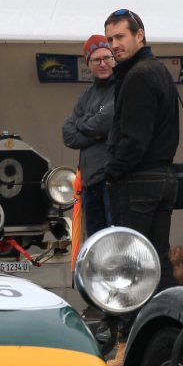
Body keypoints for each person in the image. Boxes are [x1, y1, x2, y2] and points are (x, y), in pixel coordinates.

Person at [103, 8, 178, 290]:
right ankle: (168, 317)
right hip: (160, 176)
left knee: (130, 262)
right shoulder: (157, 70)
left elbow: (134, 140)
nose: (114, 45)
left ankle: (136, 319)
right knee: (157, 259)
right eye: (110, 39)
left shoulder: (139, 75)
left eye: (120, 37)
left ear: (139, 35)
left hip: (139, 180)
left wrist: (113, 172)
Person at [61, 34, 117, 240]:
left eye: (107, 58)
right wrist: (98, 134)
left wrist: (84, 124)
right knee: (95, 242)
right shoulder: (87, 94)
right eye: (96, 59)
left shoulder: (121, 87)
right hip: (89, 182)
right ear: (88, 63)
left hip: (111, 179)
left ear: (114, 59)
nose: (103, 63)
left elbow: (106, 121)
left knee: (113, 241)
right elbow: (68, 135)